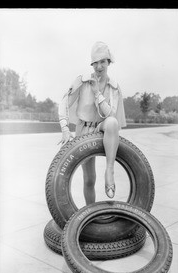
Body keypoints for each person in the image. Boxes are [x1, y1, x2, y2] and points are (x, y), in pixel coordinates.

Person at [58, 41, 126, 204]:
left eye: (102, 62)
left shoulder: (114, 87)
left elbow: (110, 114)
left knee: (112, 123)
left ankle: (110, 172)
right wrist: (65, 128)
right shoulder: (82, 81)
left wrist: (97, 92)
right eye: (95, 63)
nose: (99, 66)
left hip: (102, 129)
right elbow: (64, 102)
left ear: (109, 62)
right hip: (84, 132)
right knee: (89, 180)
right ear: (92, 64)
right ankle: (90, 213)